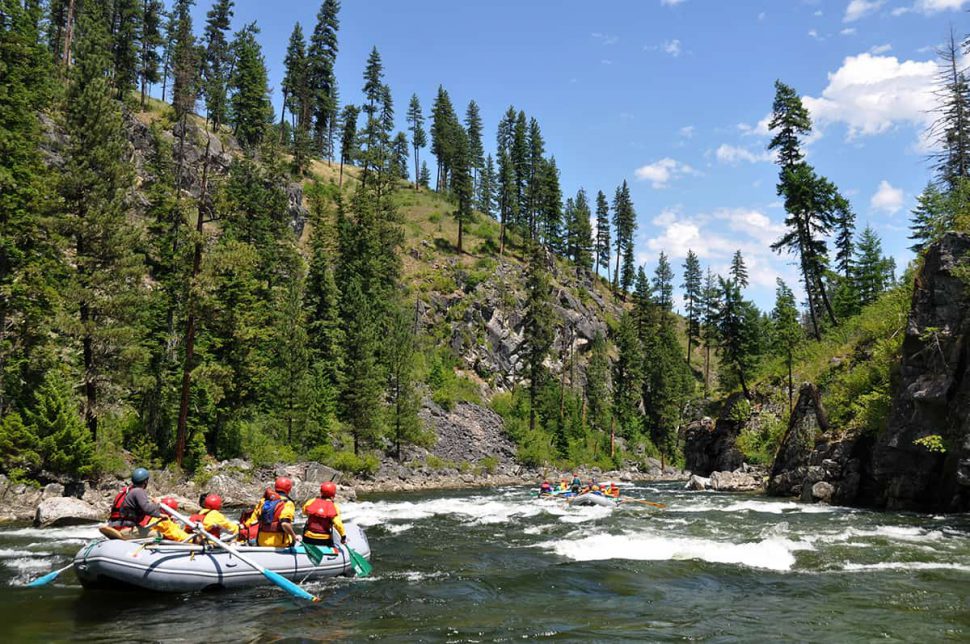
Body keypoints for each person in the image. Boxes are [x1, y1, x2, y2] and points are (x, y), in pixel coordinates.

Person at [107, 468, 161, 537]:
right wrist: (156, 504)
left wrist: (159, 515)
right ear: (145, 481)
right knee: (158, 535)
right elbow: (147, 509)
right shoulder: (139, 491)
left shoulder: (125, 491)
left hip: (113, 526)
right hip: (126, 529)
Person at [245, 477, 298, 547]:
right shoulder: (288, 503)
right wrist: (295, 536)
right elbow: (285, 523)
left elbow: (251, 522)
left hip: (261, 541)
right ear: (289, 489)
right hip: (280, 544)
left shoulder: (263, 501)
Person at [301, 481, 346, 548]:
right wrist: (343, 536)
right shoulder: (334, 506)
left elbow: (304, 512)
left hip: (308, 538)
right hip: (324, 540)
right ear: (333, 494)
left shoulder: (312, 501)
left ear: (321, 492)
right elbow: (338, 524)